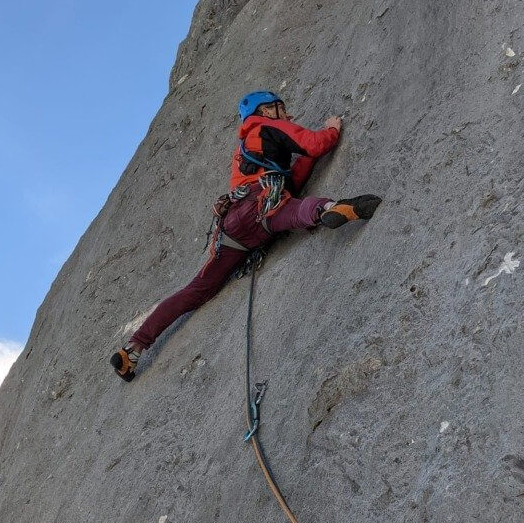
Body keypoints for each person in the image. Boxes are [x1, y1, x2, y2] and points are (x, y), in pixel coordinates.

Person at [111, 90, 381, 381]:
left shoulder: (244, 149)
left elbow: (295, 177)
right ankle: (330, 207)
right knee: (295, 211)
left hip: (234, 227)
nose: (286, 113)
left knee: (195, 291)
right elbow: (314, 145)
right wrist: (332, 128)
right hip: (264, 206)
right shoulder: (268, 126)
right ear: (266, 110)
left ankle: (133, 349)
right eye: (280, 108)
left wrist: (300, 162)